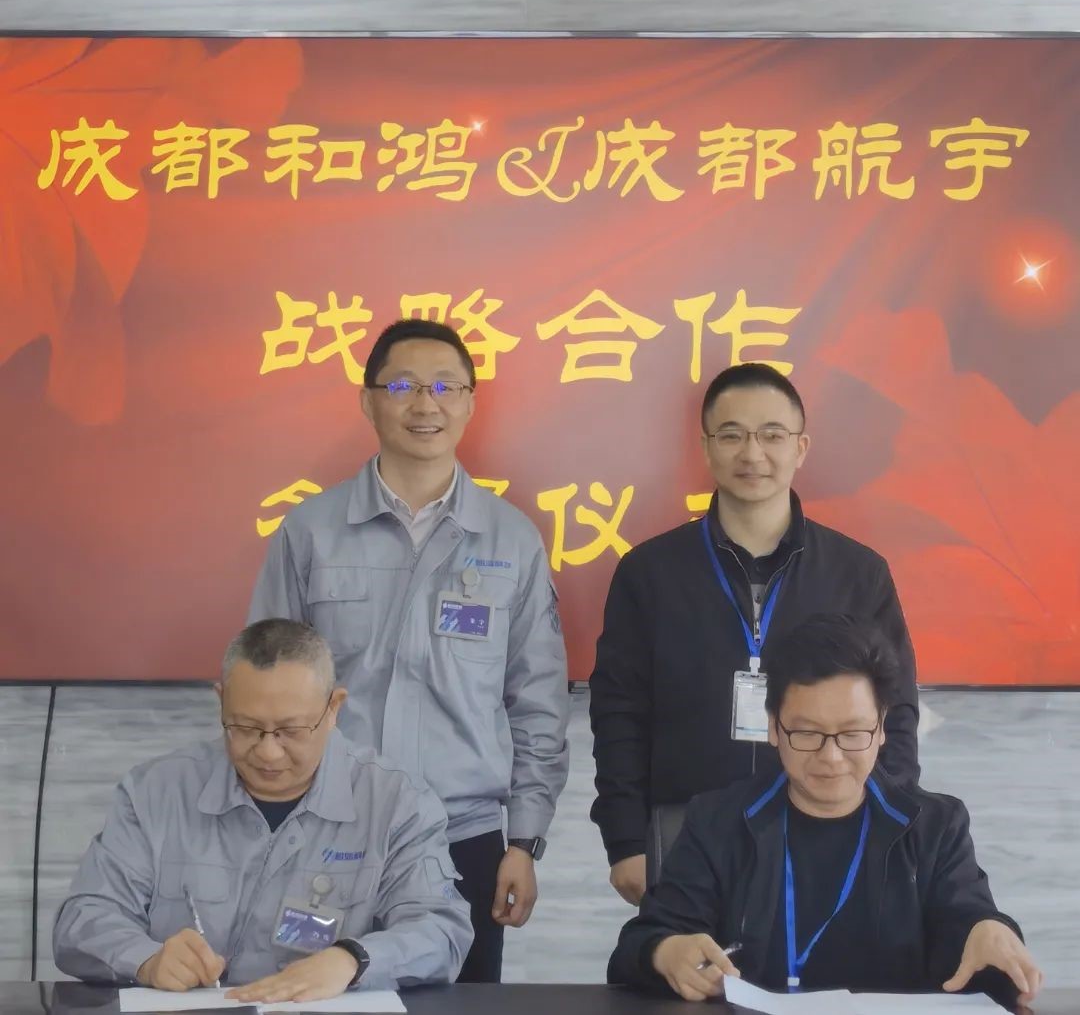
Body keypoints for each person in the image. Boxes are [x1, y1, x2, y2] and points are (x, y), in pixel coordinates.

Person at [248, 318, 570, 983]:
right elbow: (262, 692)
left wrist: (523, 841)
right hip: (326, 833)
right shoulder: (311, 532)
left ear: (470, 403)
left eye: (446, 387)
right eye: (402, 386)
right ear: (368, 402)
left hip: (464, 840)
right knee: (316, 994)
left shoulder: (511, 541)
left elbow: (537, 702)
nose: (426, 404)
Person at [590, 362, 920, 906]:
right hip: (685, 834)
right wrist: (626, 840)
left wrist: (889, 828)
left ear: (801, 447)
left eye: (772, 435)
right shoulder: (650, 572)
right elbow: (618, 713)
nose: (752, 454)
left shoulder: (858, 574)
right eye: (732, 435)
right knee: (684, 961)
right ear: (706, 447)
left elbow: (896, 712)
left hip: (829, 832)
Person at [607, 614, 1041, 1008]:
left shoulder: (934, 827)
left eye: (852, 733)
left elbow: (967, 923)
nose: (831, 757)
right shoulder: (717, 821)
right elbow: (640, 944)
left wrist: (989, 929)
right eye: (807, 733)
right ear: (774, 727)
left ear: (881, 728)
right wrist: (666, 952)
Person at [53, 620, 472, 1000]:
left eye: (291, 730)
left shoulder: (396, 802)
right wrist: (146, 959)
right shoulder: (156, 791)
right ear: (221, 702)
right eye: (245, 728)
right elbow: (83, 919)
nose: (268, 753)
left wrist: (352, 959)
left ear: (333, 709)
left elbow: (441, 930)